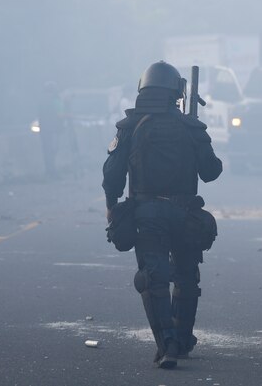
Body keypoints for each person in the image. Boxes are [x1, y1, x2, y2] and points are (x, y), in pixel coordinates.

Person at [102, 61, 223, 369]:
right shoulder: (190, 127)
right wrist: (196, 136)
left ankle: (167, 342)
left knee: (153, 278)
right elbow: (211, 172)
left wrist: (111, 205)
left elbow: (112, 175)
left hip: (147, 213)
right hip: (185, 212)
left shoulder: (129, 127)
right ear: (176, 93)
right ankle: (182, 339)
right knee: (186, 275)